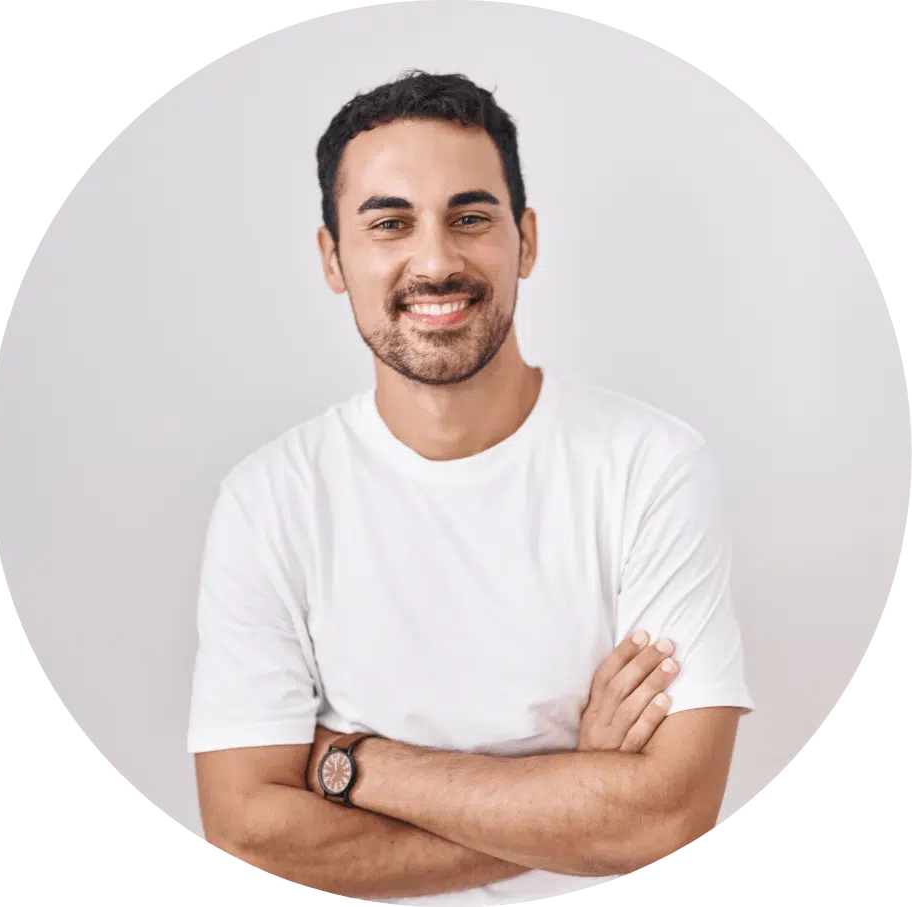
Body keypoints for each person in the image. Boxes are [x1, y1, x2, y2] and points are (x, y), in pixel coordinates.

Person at [186, 70, 754, 907]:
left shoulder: (650, 466)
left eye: (471, 217)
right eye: (389, 223)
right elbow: (246, 825)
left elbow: (667, 811)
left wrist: (348, 762)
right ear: (332, 257)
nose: (435, 261)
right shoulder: (268, 500)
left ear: (524, 240)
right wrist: (578, 791)